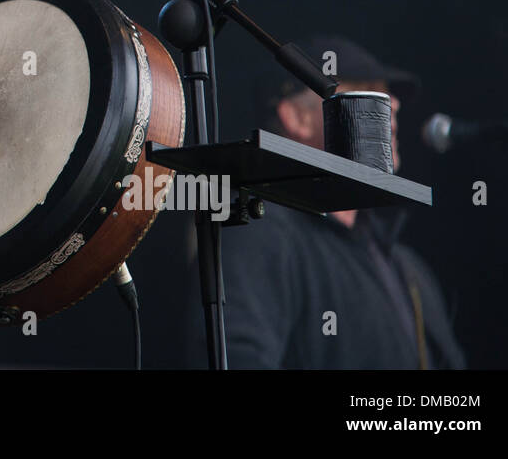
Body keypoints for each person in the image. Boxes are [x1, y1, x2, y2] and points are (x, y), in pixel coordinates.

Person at [188, 35, 466, 368]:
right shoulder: (258, 228)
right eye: (363, 89)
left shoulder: (407, 266)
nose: (391, 103)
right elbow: (238, 355)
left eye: (386, 93)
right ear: (297, 117)